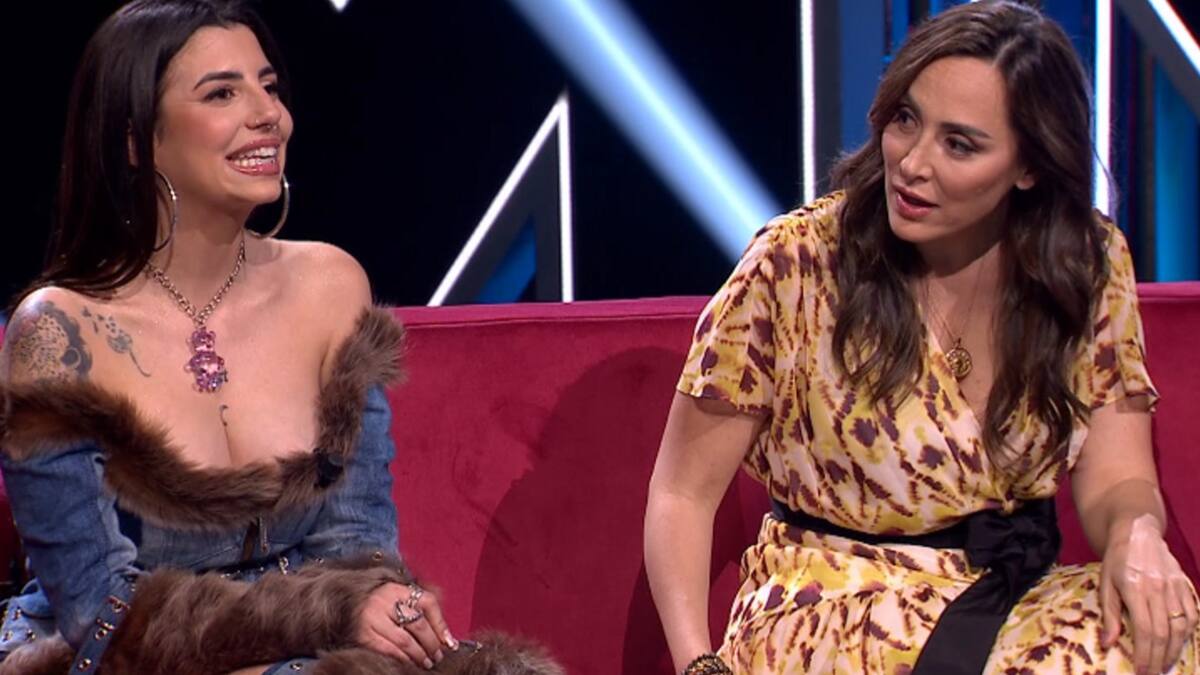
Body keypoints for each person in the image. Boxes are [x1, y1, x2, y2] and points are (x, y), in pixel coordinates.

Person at [0, 2, 559, 674]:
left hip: (307, 650)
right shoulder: (57, 331)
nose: (270, 114)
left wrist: (376, 607)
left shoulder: (329, 285)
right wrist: (324, 615)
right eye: (222, 93)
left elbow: (357, 545)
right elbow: (104, 614)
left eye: (269, 87)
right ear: (134, 140)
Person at [645, 2, 1200, 674]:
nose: (912, 162)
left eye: (959, 144)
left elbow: (1118, 475)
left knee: (1160, 637)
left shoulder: (1084, 264)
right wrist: (698, 664)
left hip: (1006, 597)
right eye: (907, 120)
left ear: (1028, 166)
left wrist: (1137, 535)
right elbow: (682, 494)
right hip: (831, 606)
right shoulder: (797, 263)